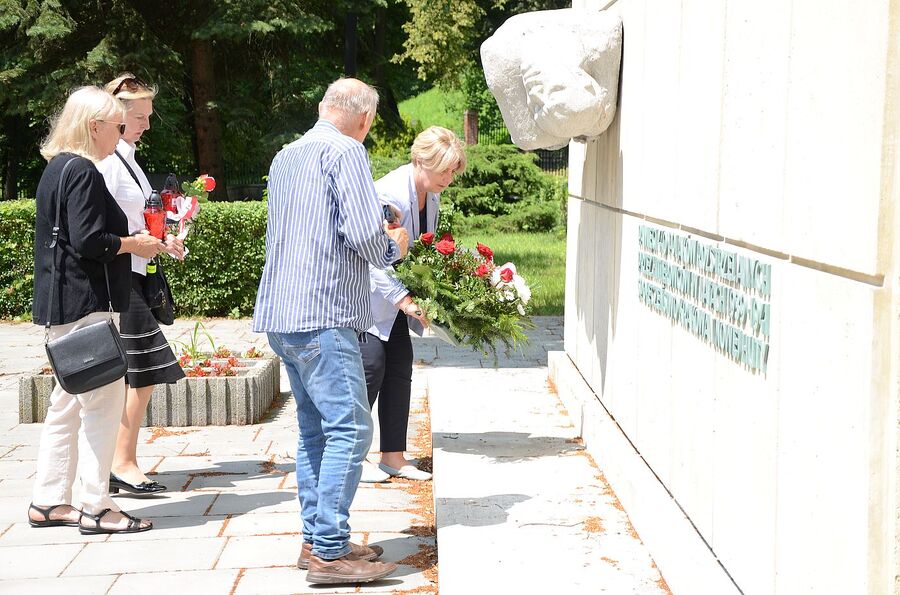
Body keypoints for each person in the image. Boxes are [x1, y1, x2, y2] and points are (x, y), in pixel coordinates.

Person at [253, 78, 408, 585]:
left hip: (283, 312)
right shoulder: (347, 152)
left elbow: (312, 221)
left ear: (324, 108)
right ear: (364, 120)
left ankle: (315, 539)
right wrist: (395, 246)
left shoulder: (286, 154)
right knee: (352, 428)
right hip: (324, 314)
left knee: (316, 430)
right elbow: (363, 235)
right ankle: (329, 552)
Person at [29, 86, 164, 534]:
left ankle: (49, 500)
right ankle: (97, 506)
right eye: (117, 125)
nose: (122, 133)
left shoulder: (56, 168)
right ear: (94, 127)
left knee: (66, 401)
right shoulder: (85, 170)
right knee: (103, 402)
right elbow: (89, 241)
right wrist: (135, 244)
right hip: (88, 302)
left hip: (60, 302)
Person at [359, 126, 466, 483]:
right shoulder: (388, 194)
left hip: (393, 303)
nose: (449, 178)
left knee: (399, 369)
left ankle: (393, 456)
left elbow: (418, 250)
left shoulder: (430, 194)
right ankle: (351, 457)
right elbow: (373, 258)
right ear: (421, 160)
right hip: (366, 299)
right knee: (370, 368)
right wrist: (405, 300)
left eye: (453, 171)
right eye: (444, 169)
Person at [96, 73, 185, 495]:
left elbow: (140, 217)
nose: (146, 124)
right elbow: (107, 228)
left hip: (135, 272)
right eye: (139, 117)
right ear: (115, 115)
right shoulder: (109, 162)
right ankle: (121, 462)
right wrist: (144, 242)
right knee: (143, 368)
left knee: (140, 370)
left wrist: (166, 241)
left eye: (149, 116)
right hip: (119, 278)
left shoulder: (127, 157)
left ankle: (119, 461)